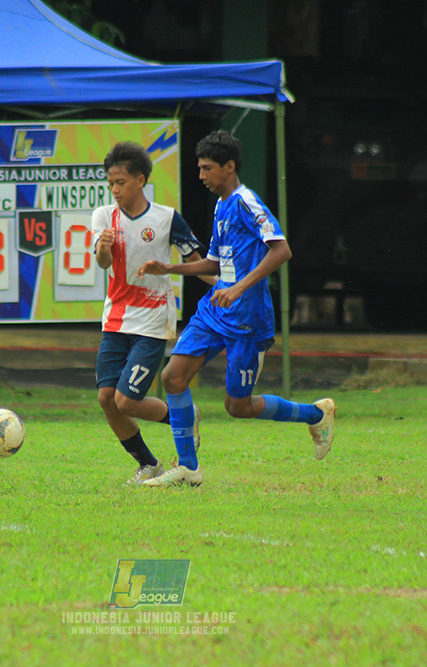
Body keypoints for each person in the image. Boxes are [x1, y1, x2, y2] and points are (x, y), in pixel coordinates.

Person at [137, 130, 336, 487]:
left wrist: (239, 288)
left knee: (237, 407)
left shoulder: (247, 201)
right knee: (172, 377)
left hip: (248, 320)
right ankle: (188, 468)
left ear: (230, 167)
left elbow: (281, 250)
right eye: (199, 168)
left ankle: (315, 414)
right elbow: (215, 263)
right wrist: (171, 268)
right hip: (215, 311)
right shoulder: (221, 205)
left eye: (207, 168)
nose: (201, 176)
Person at [92, 141, 214, 485]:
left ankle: (185, 415)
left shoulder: (166, 218)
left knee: (127, 401)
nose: (115, 190)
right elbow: (103, 264)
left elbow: (197, 262)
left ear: (140, 180)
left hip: (152, 320)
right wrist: (102, 249)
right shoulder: (104, 217)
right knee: (106, 399)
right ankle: (148, 464)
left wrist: (226, 286)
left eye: (121, 182)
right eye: (111, 183)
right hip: (115, 317)